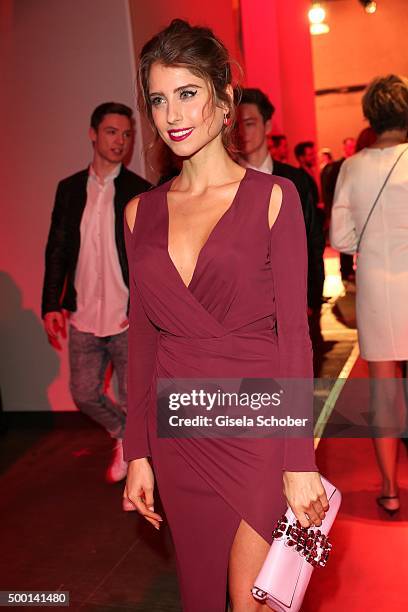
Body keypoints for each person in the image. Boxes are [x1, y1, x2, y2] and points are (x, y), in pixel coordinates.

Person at [123, 19, 327, 612]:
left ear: (223, 99)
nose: (171, 113)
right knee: (204, 596)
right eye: (158, 99)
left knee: (253, 600)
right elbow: (143, 340)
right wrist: (138, 450)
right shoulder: (140, 214)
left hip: (261, 425)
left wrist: (300, 460)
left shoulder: (273, 198)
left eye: (187, 93)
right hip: (180, 430)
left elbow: (295, 335)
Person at [42, 102, 151, 483]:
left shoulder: (140, 191)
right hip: (84, 314)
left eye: (126, 133)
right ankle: (123, 434)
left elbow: (149, 260)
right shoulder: (69, 190)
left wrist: (143, 308)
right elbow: (57, 248)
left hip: (126, 317)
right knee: (84, 392)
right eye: (111, 132)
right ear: (93, 134)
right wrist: (51, 303)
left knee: (133, 399)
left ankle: (141, 477)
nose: (120, 140)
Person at [330, 74, 408, 515]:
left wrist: (371, 239)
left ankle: (390, 488)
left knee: (383, 393)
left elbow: (341, 237)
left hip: (377, 288)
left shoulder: (353, 167)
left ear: (370, 117)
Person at [236, 88, 325, 353]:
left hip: (294, 304)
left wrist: (312, 299)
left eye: (250, 123)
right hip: (243, 312)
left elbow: (313, 243)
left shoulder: (295, 181)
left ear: (267, 125)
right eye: (236, 125)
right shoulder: (223, 183)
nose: (242, 132)